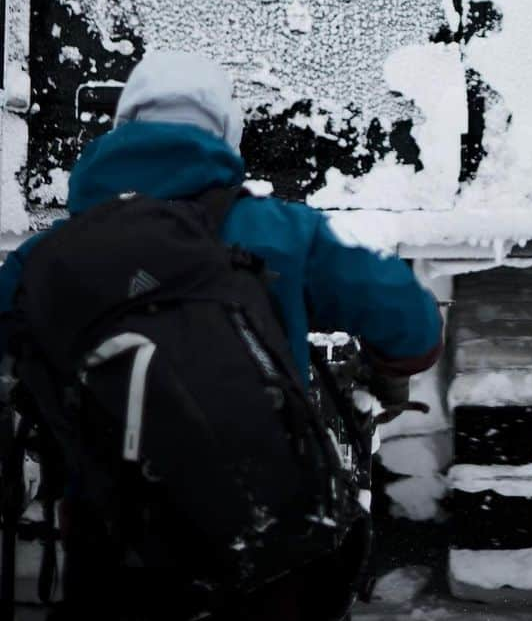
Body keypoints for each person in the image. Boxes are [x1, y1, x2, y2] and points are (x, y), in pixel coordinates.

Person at [0, 50, 444, 620]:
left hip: (117, 554)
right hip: (269, 545)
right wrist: (383, 369)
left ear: (121, 131)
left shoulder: (46, 260)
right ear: (228, 134)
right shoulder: (282, 232)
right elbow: (414, 325)